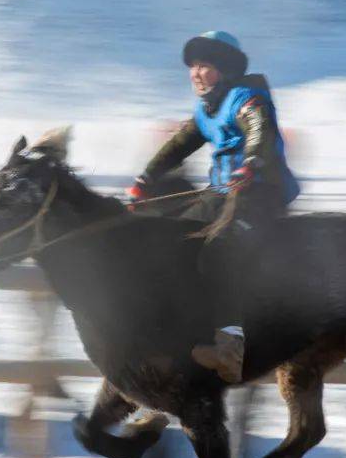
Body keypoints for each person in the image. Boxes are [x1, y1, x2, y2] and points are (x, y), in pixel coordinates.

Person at [128, 31, 300, 383]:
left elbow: (259, 130)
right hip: (221, 193)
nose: (195, 73)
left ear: (224, 69)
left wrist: (251, 162)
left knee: (219, 248)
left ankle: (230, 347)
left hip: (258, 193)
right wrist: (144, 181)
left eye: (204, 66)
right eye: (192, 67)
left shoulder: (247, 97)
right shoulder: (207, 109)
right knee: (173, 240)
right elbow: (178, 145)